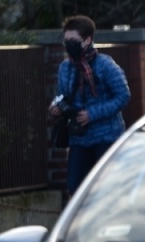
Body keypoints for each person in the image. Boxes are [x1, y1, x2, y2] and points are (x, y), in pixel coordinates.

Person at [50, 16, 131, 197]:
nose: (69, 44)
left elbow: (123, 96)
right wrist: (58, 106)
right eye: (66, 40)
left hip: (106, 137)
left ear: (87, 40)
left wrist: (92, 114)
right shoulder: (66, 67)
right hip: (79, 138)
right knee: (75, 188)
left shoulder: (105, 65)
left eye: (74, 41)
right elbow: (62, 94)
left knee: (105, 189)